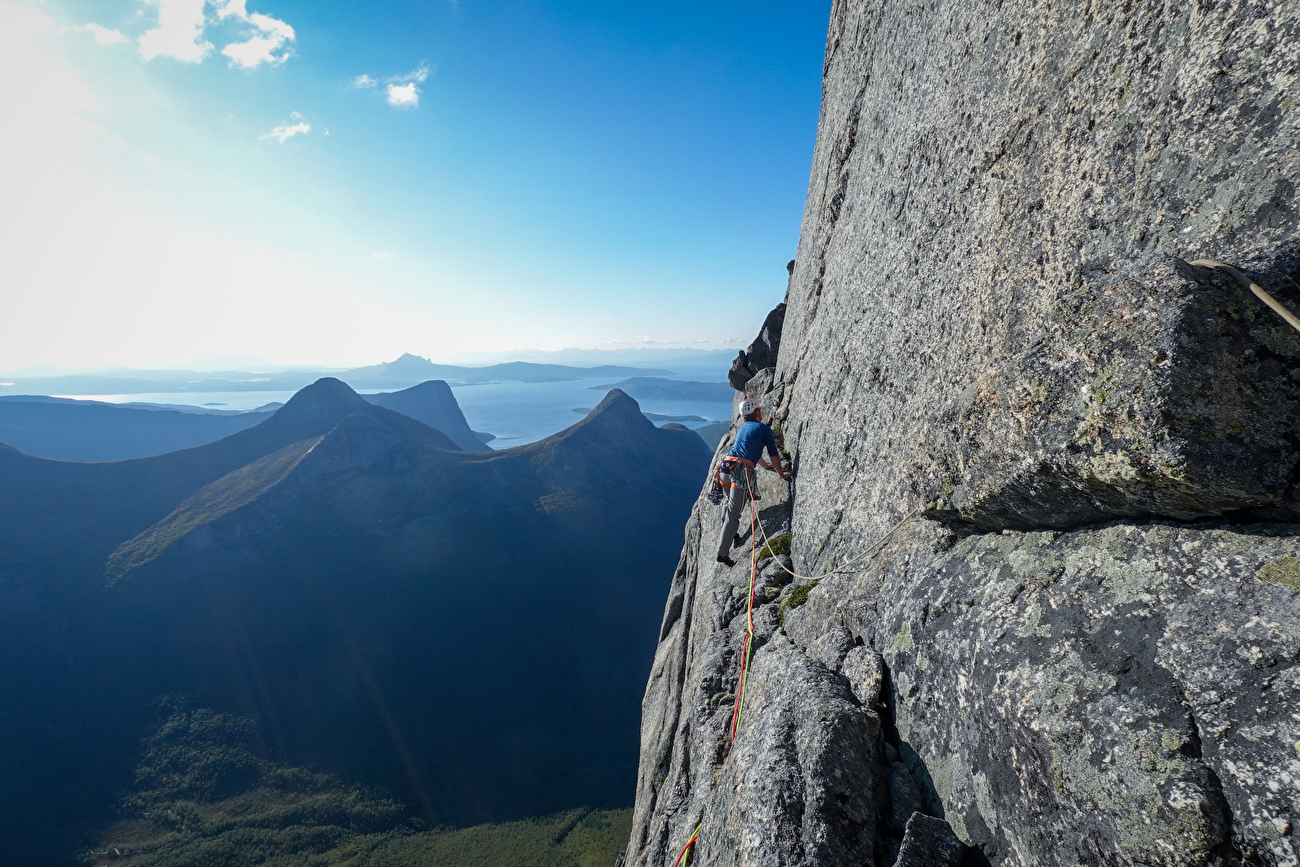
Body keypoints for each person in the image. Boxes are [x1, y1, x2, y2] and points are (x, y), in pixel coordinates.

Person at [716, 398, 790, 567]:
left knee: (729, 504)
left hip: (725, 468)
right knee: (734, 512)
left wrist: (764, 466)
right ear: (756, 412)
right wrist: (780, 473)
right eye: (759, 409)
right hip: (740, 471)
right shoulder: (763, 429)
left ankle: (732, 534)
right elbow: (773, 453)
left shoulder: (743, 428)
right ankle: (722, 553)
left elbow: (752, 452)